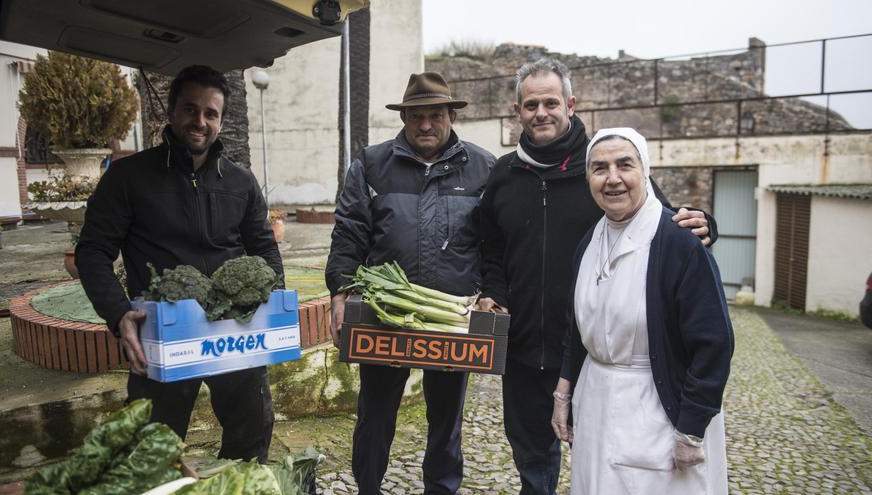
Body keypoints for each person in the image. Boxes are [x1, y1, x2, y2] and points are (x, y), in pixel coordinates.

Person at [476, 58, 717, 494]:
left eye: (551, 102)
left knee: (605, 463)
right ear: (517, 112)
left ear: (570, 104)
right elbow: (492, 247)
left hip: (591, 356)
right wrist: (493, 289)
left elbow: (661, 217)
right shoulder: (503, 175)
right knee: (532, 459)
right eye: (530, 105)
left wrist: (704, 224)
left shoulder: (603, 164)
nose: (541, 113)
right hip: (524, 349)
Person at [76, 65, 284, 462]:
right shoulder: (128, 177)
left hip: (233, 332)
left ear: (221, 120)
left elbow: (264, 248)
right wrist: (118, 314)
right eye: (191, 110)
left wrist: (269, 301)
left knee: (251, 437)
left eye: (211, 114)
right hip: (162, 334)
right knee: (151, 452)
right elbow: (92, 252)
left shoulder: (240, 182)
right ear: (171, 111)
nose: (200, 122)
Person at [325, 72, 495, 494]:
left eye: (435, 115)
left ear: (450, 115)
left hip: (452, 322)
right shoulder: (371, 164)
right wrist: (340, 291)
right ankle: (367, 486)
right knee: (376, 413)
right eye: (415, 116)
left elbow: (497, 242)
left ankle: (441, 489)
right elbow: (349, 232)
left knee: (446, 419)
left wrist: (493, 293)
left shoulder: (483, 167)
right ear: (403, 117)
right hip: (386, 317)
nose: (424, 125)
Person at [552, 127, 732, 494]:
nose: (612, 178)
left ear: (644, 171)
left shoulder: (679, 243)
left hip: (658, 411)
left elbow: (714, 343)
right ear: (588, 178)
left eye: (625, 165)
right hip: (597, 401)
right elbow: (578, 329)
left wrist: (692, 428)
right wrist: (563, 392)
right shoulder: (590, 241)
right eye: (599, 168)